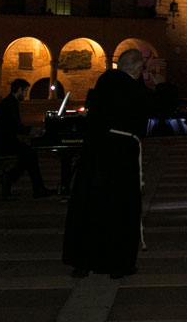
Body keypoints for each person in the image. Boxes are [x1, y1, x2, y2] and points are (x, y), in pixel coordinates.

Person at [63, 48, 157, 280]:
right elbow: (157, 108)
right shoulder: (135, 88)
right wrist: (157, 82)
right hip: (121, 154)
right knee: (120, 208)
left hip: (96, 151)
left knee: (89, 206)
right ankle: (118, 264)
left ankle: (82, 263)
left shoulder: (104, 80)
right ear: (137, 69)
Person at [0, 78, 51, 200]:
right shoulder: (10, 103)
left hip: (4, 140)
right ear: (19, 90)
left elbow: (14, 125)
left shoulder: (10, 102)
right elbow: (15, 126)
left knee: (29, 154)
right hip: (2, 143)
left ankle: (16, 179)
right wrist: (32, 131)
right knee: (30, 154)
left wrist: (30, 131)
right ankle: (34, 186)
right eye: (25, 91)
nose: (26, 94)